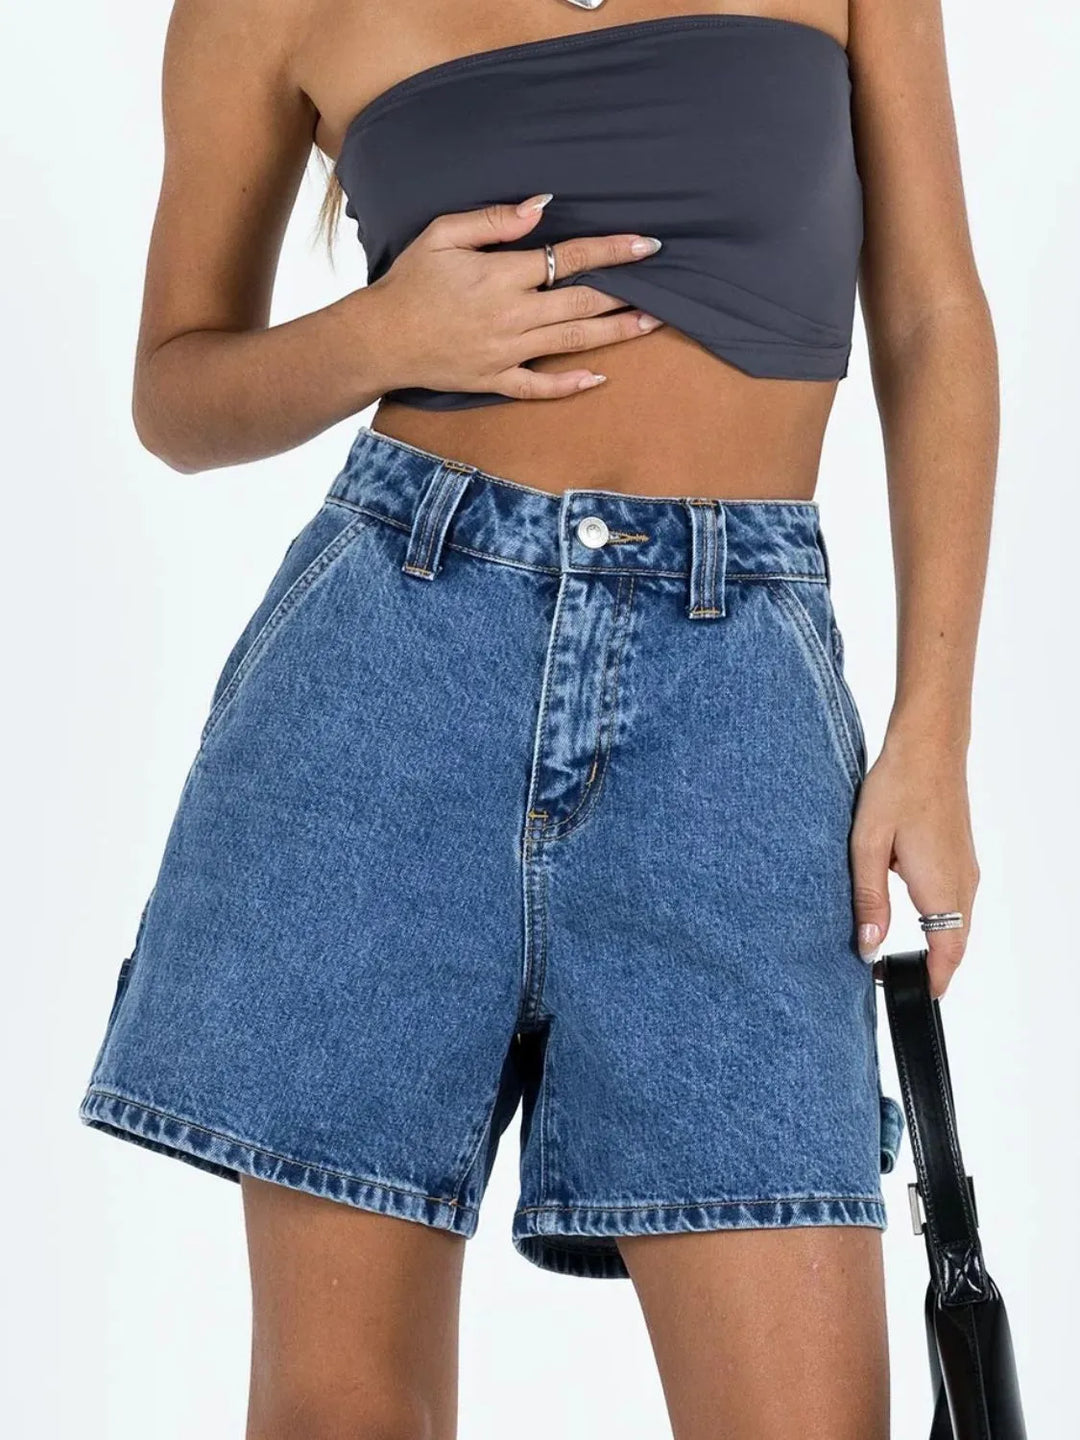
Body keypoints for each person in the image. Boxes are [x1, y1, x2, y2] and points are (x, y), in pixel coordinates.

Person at [78, 3, 997, 1437]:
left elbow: (933, 316)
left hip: (736, 695)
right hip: (386, 678)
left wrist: (933, 728)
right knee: (340, 1413)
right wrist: (381, 332)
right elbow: (176, 393)